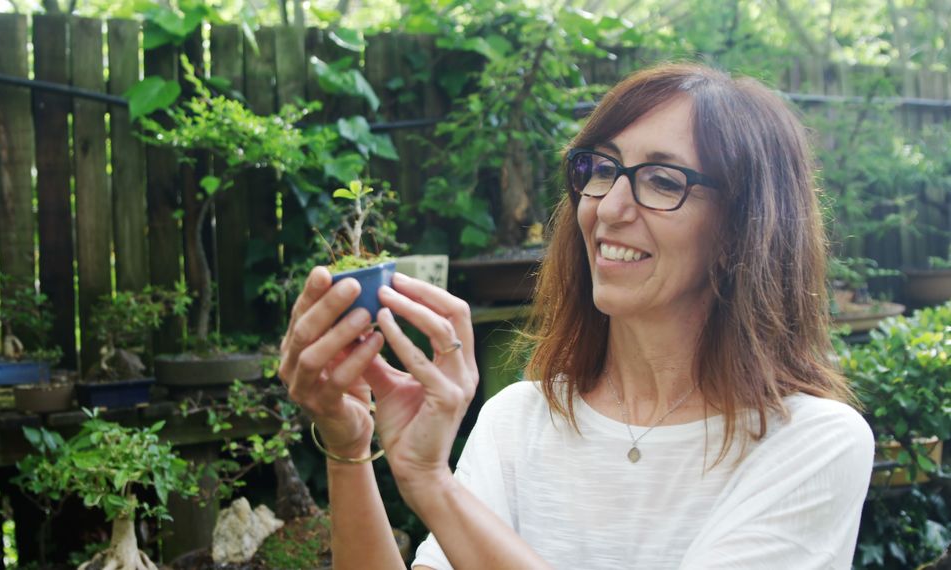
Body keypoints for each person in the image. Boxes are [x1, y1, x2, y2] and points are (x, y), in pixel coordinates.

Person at [278, 63, 874, 569]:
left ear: (742, 228)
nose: (609, 207)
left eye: (663, 181)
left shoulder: (813, 443)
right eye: (602, 168)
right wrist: (348, 445)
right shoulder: (518, 419)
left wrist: (431, 484)